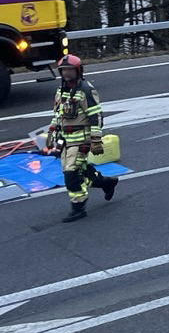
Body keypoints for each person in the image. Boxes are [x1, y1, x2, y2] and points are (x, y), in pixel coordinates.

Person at [45, 54, 117, 222]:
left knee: (71, 173)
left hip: (81, 139)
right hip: (65, 140)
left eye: (70, 70)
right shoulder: (61, 90)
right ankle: (106, 183)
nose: (67, 73)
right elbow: (58, 115)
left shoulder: (85, 90)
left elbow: (95, 116)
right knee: (80, 171)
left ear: (78, 71)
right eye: (63, 70)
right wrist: (51, 132)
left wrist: (96, 140)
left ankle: (78, 207)